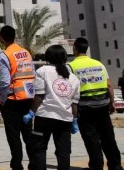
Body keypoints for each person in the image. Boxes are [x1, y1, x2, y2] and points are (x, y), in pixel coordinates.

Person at [23, 45, 80, 170]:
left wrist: (31, 112)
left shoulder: (42, 71)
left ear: (48, 57)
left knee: (39, 149)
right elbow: (74, 103)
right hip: (65, 119)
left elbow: (39, 95)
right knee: (64, 152)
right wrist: (74, 120)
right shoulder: (74, 78)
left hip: (44, 118)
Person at [68, 37, 122, 170]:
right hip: (102, 106)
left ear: (74, 48)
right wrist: (112, 103)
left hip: (84, 108)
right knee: (108, 136)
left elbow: (70, 88)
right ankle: (115, 165)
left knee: (90, 138)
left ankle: (96, 165)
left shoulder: (71, 66)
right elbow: (109, 85)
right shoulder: (99, 64)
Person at [0, 25, 36, 170]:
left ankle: (17, 164)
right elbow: (33, 72)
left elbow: (5, 81)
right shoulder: (26, 52)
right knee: (28, 133)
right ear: (15, 36)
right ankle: (34, 163)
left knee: (13, 135)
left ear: (1, 38)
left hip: (12, 100)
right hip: (28, 98)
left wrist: (2, 100)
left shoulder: (4, 55)